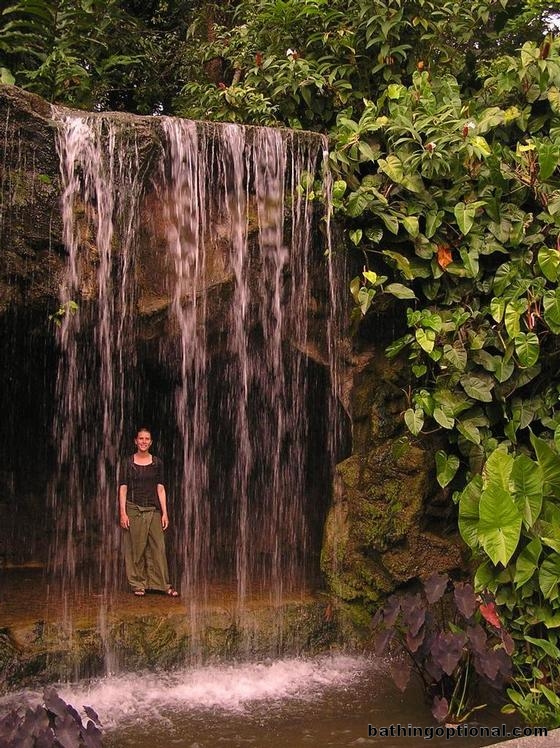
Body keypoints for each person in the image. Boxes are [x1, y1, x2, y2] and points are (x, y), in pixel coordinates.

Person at [119, 427, 178, 597]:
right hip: (134, 509)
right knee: (136, 547)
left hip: (153, 509)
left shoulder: (157, 463)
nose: (143, 441)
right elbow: (123, 488)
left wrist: (165, 513)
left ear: (151, 442)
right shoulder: (128, 463)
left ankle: (162, 584)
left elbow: (160, 488)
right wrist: (123, 513)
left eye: (147, 439)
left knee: (158, 547)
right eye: (141, 438)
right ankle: (138, 584)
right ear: (135, 441)